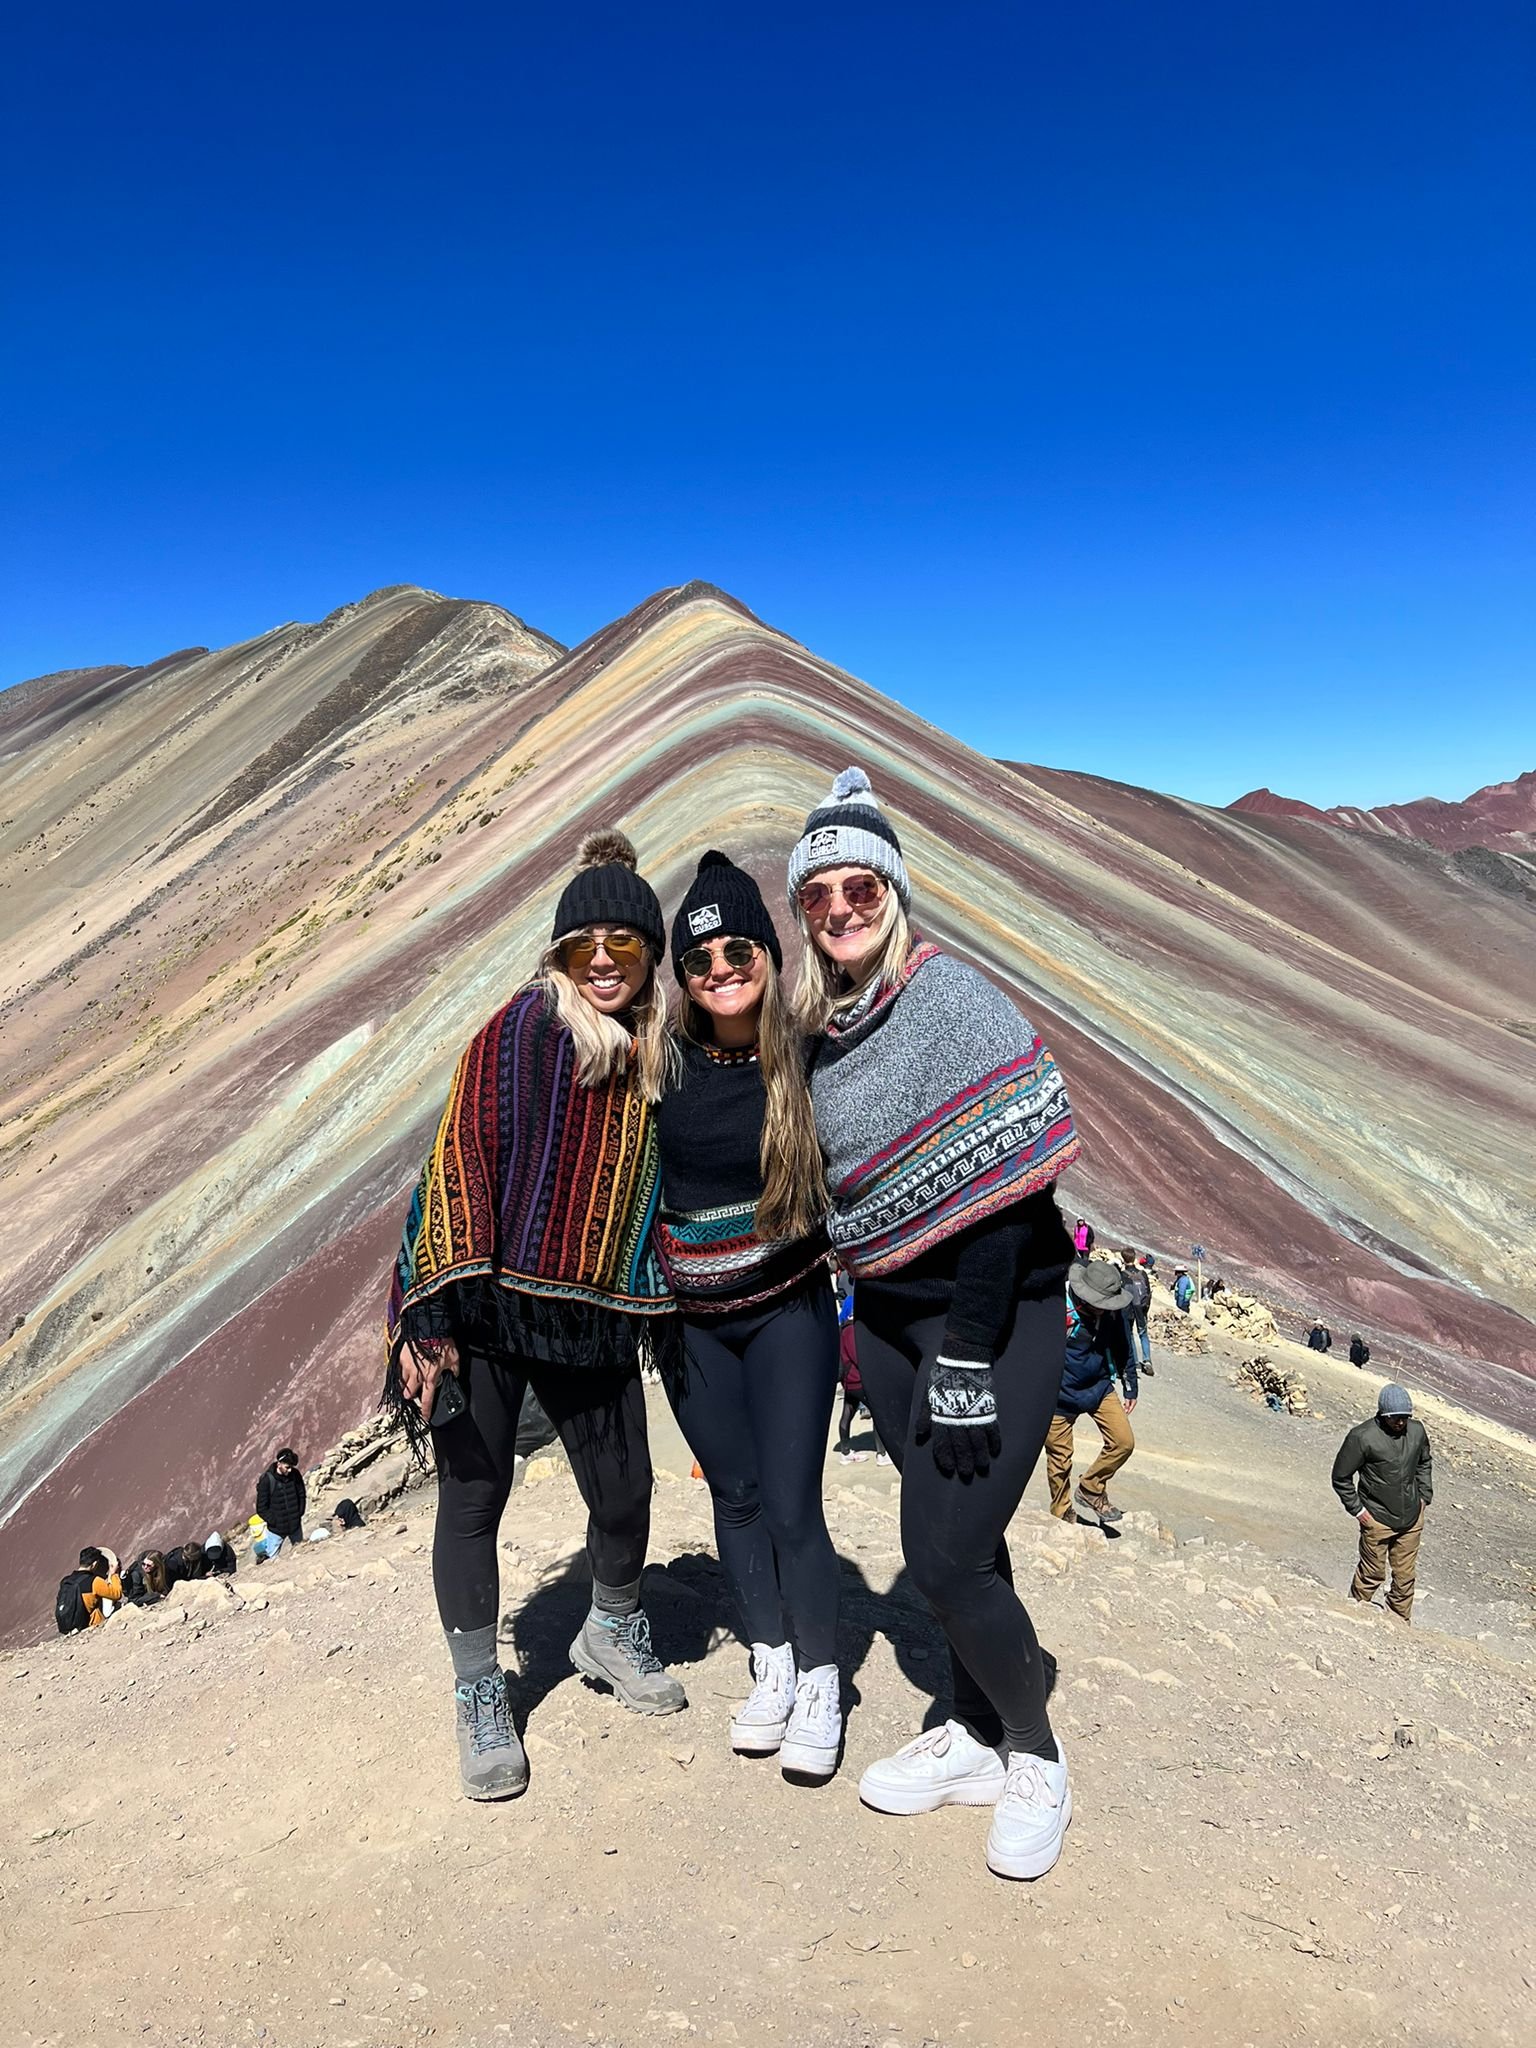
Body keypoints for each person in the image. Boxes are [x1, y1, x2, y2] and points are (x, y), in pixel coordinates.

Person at [791, 766, 1080, 1882]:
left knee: (944, 1558)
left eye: (860, 887)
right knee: (970, 1537)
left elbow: (1007, 1199)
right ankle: (970, 1729)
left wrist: (965, 1351)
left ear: (894, 890)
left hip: (997, 1321)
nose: (841, 910)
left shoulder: (951, 999)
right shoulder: (822, 1031)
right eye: (819, 895)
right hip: (896, 1325)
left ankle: (1037, 1753)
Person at [386, 829, 686, 1803]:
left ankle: (611, 1625)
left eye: (623, 942)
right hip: (487, 1308)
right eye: (582, 942)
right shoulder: (517, 1033)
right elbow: (459, 1155)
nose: (602, 958)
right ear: (558, 952)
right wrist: (435, 1311)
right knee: (475, 1494)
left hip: (594, 1315)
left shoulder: (654, 1058)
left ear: (649, 955)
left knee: (626, 1490)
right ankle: (482, 1690)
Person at [654, 851, 843, 1777]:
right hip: (690, 1326)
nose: (721, 969)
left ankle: (822, 1676)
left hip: (786, 1312)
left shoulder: (806, 1055)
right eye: (699, 959)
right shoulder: (655, 1064)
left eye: (739, 949)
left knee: (793, 1503)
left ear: (768, 952)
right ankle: (771, 1659)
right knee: (733, 1494)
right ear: (682, 977)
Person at [1046, 1261, 1138, 1525]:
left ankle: (1091, 1487)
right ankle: (1062, 1513)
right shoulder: (1057, 1306)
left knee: (1123, 1441)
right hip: (1059, 1394)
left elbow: (1124, 1344)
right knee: (1060, 1460)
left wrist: (1130, 1384)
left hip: (1098, 1386)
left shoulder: (1112, 1311)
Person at [1331, 1384, 1432, 1622]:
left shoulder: (1417, 1431)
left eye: (1405, 1417)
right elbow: (1341, 1477)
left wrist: (1424, 1496)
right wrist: (1358, 1511)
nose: (1401, 1422)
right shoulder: (1362, 1437)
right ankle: (1353, 1615)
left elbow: (1424, 1462)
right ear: (1383, 1414)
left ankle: (1398, 1624)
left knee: (1405, 1577)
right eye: (1395, 1417)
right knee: (1371, 1574)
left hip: (1411, 1518)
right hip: (1376, 1518)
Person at [55, 1547, 122, 1633]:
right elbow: (117, 1594)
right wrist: (114, 1574)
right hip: (89, 1624)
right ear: (94, 1564)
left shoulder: (66, 1581)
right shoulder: (94, 1581)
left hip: (69, 1625)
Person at [256, 1448, 306, 1549]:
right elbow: (261, 1508)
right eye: (287, 1467)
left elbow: (301, 1494)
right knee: (273, 1556)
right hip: (276, 1531)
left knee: (301, 1551)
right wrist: (274, 1521)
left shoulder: (295, 1475)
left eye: (291, 1467)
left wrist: (299, 1513)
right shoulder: (267, 1480)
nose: (290, 1470)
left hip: (295, 1526)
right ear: (279, 1464)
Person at [1118, 1246, 1153, 1378]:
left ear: (1123, 1259)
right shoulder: (1142, 1274)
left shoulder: (1122, 1275)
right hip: (1142, 1308)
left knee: (1131, 1334)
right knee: (1143, 1333)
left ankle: (1134, 1361)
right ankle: (1147, 1360)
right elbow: (1148, 1292)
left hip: (1128, 1309)